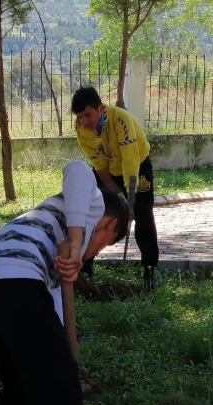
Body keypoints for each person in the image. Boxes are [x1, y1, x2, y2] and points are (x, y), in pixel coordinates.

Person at [0, 160, 128, 405]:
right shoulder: (93, 206)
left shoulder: (52, 252)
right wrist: (77, 243)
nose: (96, 254)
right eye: (107, 243)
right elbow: (77, 168)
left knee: (20, 388)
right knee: (59, 387)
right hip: (16, 281)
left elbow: (52, 324)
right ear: (110, 225)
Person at [71, 86, 161, 289]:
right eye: (80, 116)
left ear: (100, 108)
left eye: (88, 114)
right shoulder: (81, 129)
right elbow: (96, 161)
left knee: (143, 213)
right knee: (93, 210)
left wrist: (130, 197)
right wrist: (109, 188)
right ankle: (85, 265)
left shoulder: (122, 120)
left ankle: (149, 269)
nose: (85, 121)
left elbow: (130, 160)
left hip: (137, 166)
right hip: (109, 169)